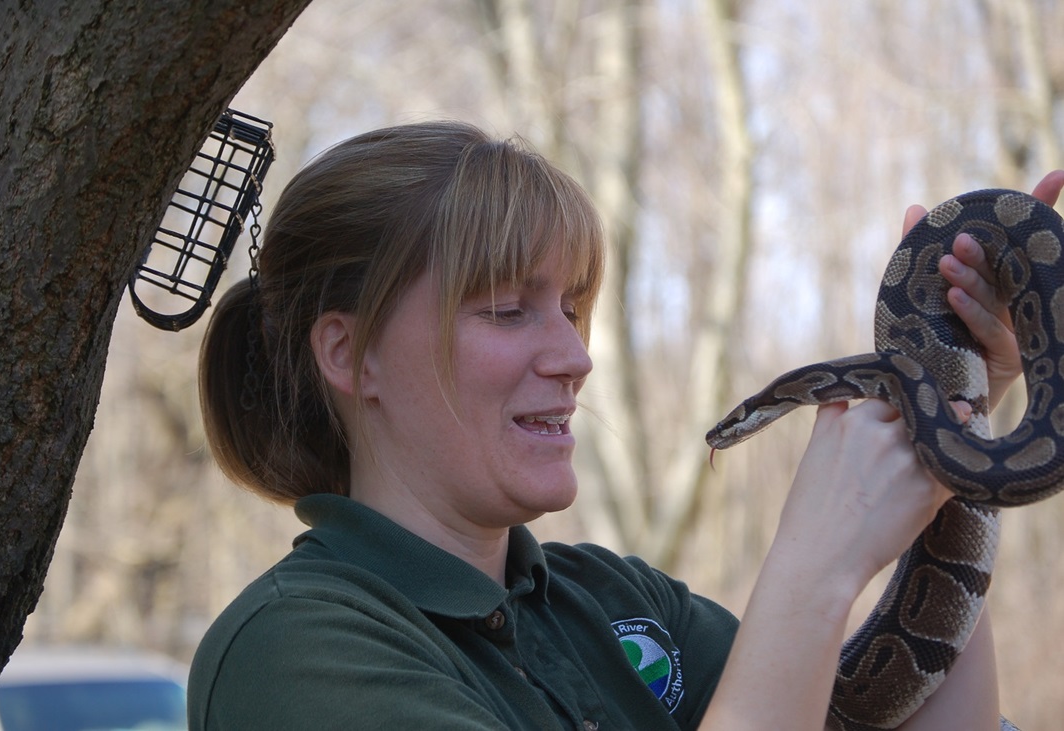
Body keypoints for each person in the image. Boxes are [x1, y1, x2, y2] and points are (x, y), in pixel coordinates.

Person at [186, 120, 1064, 730]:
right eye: (506, 308)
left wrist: (952, 419)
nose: (576, 355)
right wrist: (817, 567)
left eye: (573, 307)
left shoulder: (616, 602)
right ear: (350, 353)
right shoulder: (293, 651)